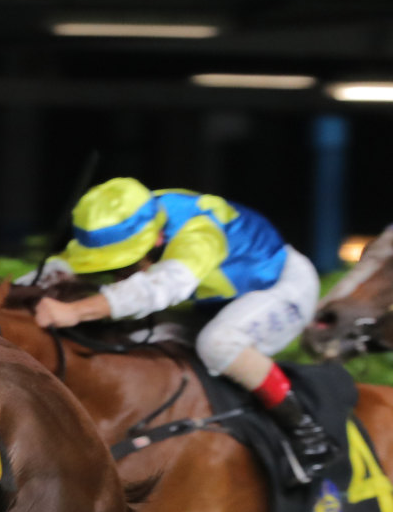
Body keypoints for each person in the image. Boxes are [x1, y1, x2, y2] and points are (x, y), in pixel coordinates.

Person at [29, 178, 331, 466]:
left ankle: (305, 429)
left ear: (156, 239)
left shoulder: (198, 232)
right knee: (134, 340)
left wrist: (75, 311)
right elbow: (66, 265)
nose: (116, 274)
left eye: (123, 263)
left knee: (218, 343)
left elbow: (160, 288)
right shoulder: (131, 217)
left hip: (280, 286)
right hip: (217, 298)